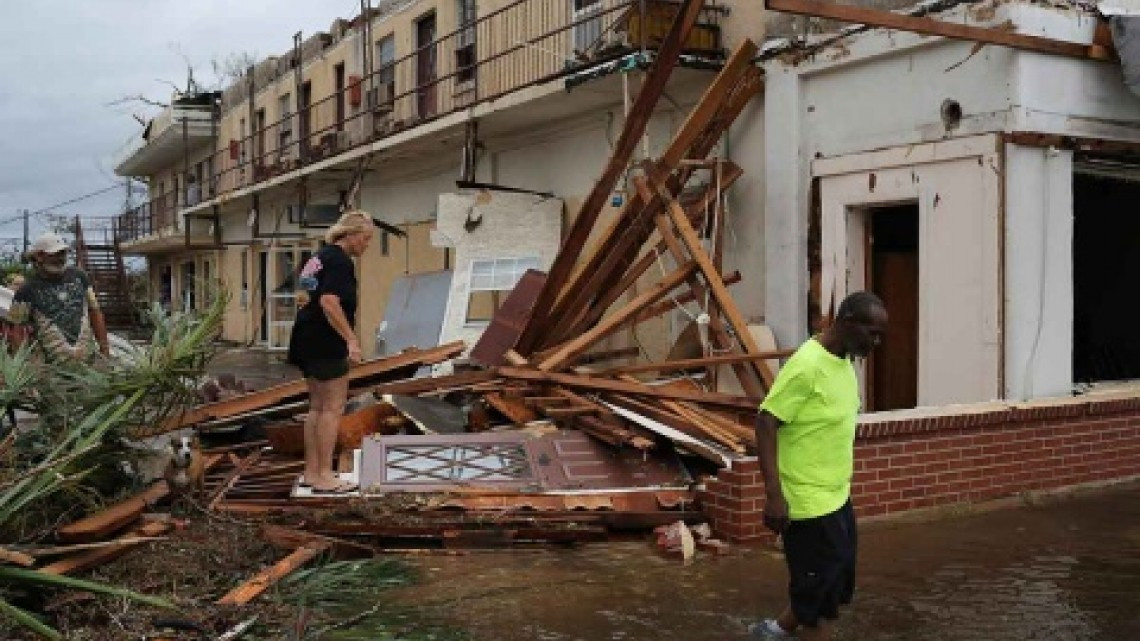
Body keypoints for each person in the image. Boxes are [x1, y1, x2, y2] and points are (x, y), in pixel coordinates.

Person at [751, 291, 888, 641]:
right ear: (845, 322)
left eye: (880, 335)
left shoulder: (843, 359)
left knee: (832, 582)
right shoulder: (806, 366)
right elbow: (766, 421)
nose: (876, 342)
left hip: (836, 498)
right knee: (820, 606)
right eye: (871, 333)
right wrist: (774, 496)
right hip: (807, 505)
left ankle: (774, 632)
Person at [286, 211, 375, 493]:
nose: (367, 244)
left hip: (305, 337)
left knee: (317, 407)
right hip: (325, 341)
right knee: (332, 407)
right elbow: (328, 301)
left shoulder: (319, 257)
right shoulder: (339, 261)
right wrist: (351, 339)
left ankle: (312, 472)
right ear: (349, 234)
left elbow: (306, 296)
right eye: (365, 238)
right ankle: (324, 474)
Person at [8, 232, 110, 362]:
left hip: (87, 363)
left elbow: (95, 311)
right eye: (55, 254)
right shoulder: (26, 290)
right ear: (39, 256)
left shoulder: (79, 277)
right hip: (51, 370)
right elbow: (17, 329)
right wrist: (23, 363)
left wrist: (105, 351)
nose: (61, 258)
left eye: (63, 253)